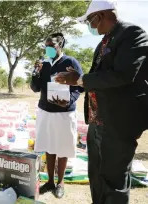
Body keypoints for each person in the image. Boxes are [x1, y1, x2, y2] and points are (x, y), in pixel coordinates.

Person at [55, 0, 148, 203]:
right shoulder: (103, 42)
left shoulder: (132, 34)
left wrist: (81, 79)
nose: (91, 25)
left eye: (90, 20)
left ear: (101, 15)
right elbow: (99, 80)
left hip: (119, 122)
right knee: (96, 176)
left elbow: (123, 75)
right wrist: (77, 81)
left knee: (113, 181)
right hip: (97, 122)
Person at [30, 33, 84, 198]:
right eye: (46, 46)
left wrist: (68, 101)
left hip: (64, 113)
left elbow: (80, 86)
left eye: (51, 46)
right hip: (46, 111)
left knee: (63, 147)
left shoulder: (70, 62)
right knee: (49, 146)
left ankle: (60, 183)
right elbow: (35, 88)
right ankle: (50, 181)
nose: (48, 49)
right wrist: (35, 73)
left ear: (60, 45)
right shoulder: (44, 64)